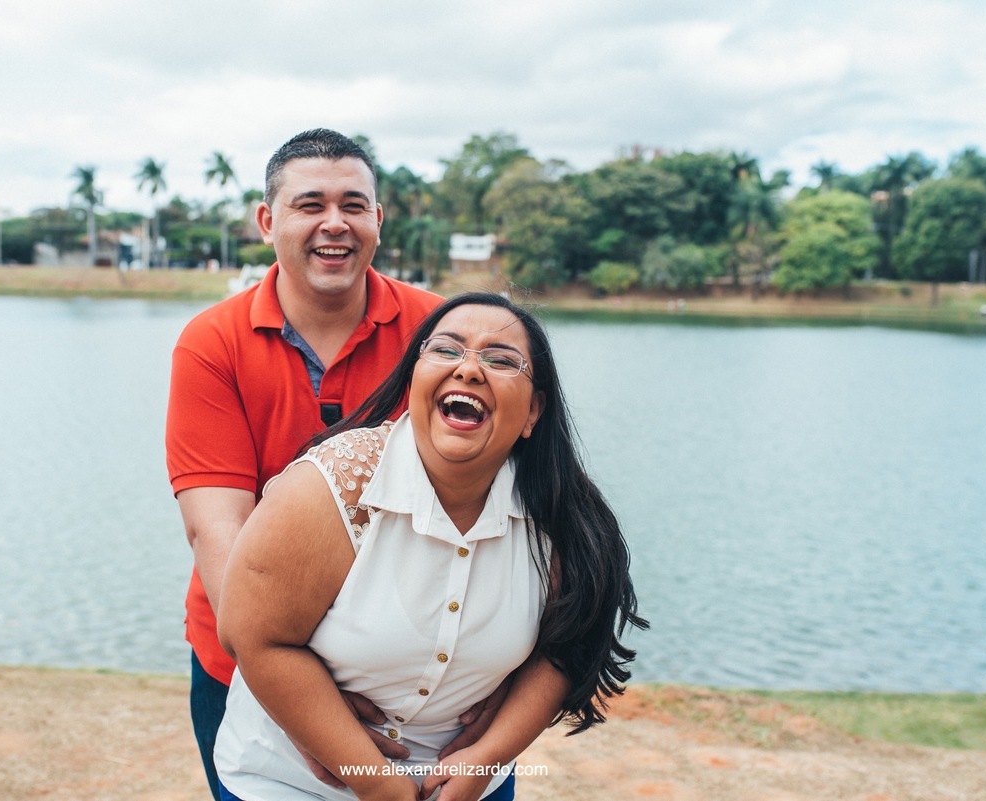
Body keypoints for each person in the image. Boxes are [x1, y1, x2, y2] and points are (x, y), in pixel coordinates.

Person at [215, 292, 648, 801]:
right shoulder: (332, 486)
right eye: (445, 350)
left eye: (501, 360)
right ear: (414, 381)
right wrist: (377, 782)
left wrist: (488, 759)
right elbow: (255, 637)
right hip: (290, 784)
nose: (468, 369)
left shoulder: (563, 516)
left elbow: (566, 648)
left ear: (533, 410)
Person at [166, 128, 443, 798]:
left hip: (412, 665)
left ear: (379, 219)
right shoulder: (212, 343)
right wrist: (296, 697)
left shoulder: (440, 331)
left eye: (354, 205)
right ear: (267, 221)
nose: (334, 224)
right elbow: (216, 528)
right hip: (245, 658)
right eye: (310, 204)